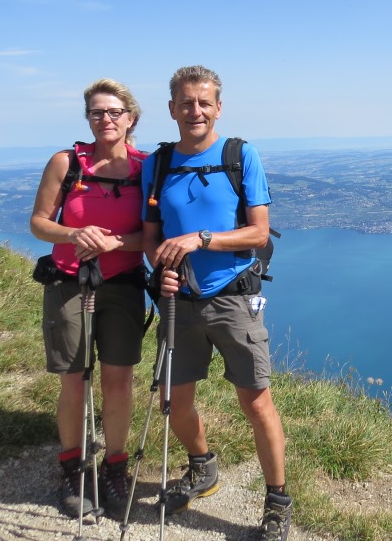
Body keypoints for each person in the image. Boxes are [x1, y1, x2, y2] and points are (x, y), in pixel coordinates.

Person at [142, 65, 292, 541]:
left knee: (256, 401)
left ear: (219, 107)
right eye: (186, 102)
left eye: (204, 102)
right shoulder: (157, 164)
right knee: (174, 400)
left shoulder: (239, 155)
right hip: (178, 301)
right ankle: (202, 466)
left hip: (232, 299)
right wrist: (160, 267)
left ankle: (277, 500)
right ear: (172, 109)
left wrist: (200, 239)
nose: (196, 110)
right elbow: (151, 236)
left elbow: (259, 232)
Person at [30, 78, 147, 519]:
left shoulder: (144, 168)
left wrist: (116, 243)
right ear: (88, 118)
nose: (106, 119)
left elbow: (152, 237)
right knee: (75, 379)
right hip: (69, 281)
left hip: (124, 285)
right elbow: (40, 223)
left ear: (131, 118)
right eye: (97, 112)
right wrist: (74, 232)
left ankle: (115, 466)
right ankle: (74, 467)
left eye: (114, 112)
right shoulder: (66, 163)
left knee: (118, 380)